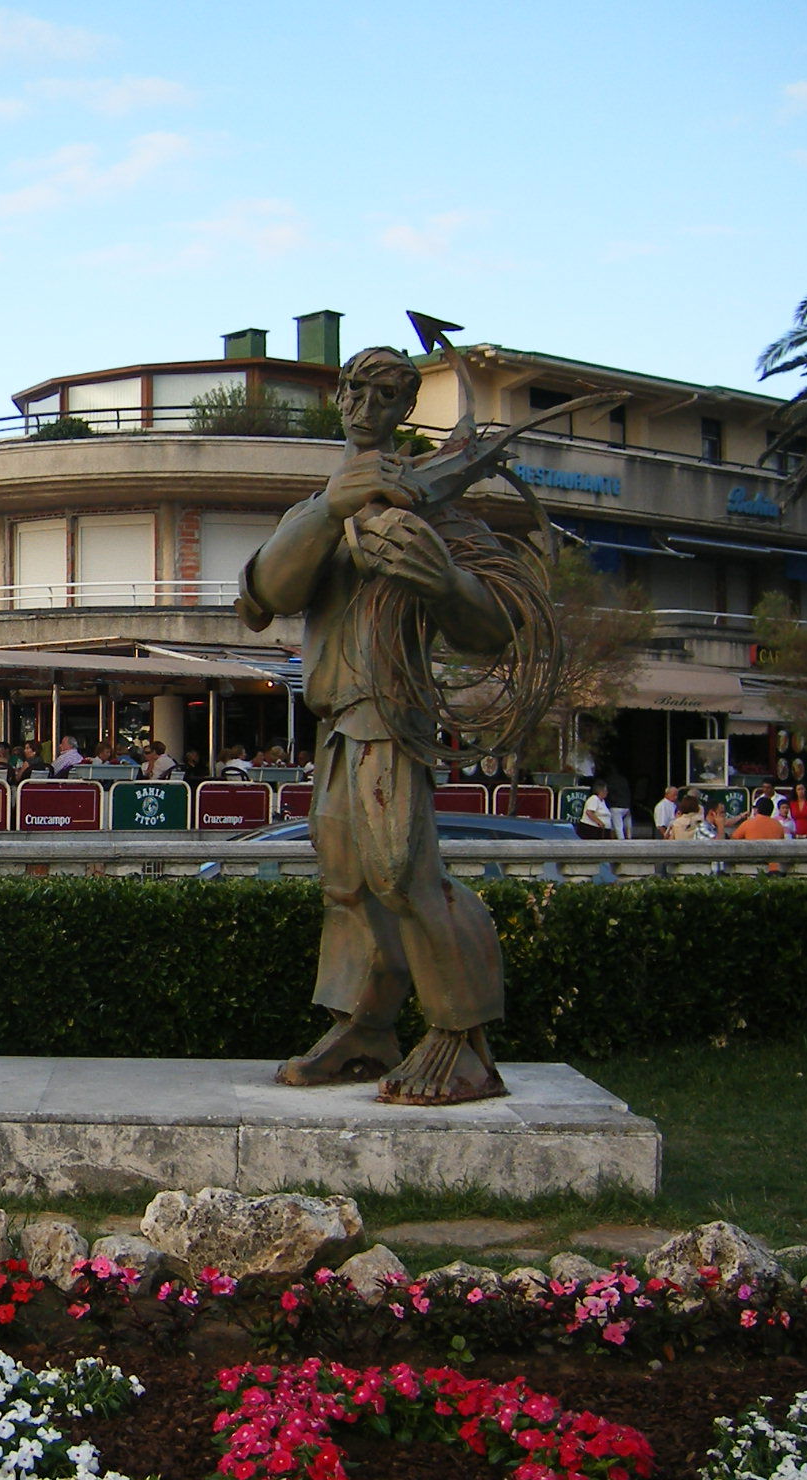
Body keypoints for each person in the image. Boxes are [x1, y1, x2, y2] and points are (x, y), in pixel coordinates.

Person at [242, 344, 519, 1105]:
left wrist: (446, 580)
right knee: (346, 880)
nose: (368, 404)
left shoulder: (435, 510)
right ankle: (366, 1026)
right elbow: (267, 587)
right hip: (336, 718)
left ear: (406, 408)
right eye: (357, 388)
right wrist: (334, 508)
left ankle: (464, 1039)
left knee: (403, 874)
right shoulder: (323, 506)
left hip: (390, 714)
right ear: (340, 395)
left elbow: (493, 626)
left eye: (388, 393)